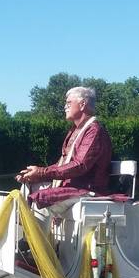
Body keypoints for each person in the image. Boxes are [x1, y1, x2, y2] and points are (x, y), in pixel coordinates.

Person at [16, 86, 112, 214]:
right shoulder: (75, 130)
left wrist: (41, 172)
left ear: (82, 104)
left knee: (39, 197)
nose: (65, 107)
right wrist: (35, 175)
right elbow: (63, 164)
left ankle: (38, 234)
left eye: (68, 103)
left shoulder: (94, 130)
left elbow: (79, 165)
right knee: (29, 187)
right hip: (73, 187)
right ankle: (30, 232)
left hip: (88, 189)